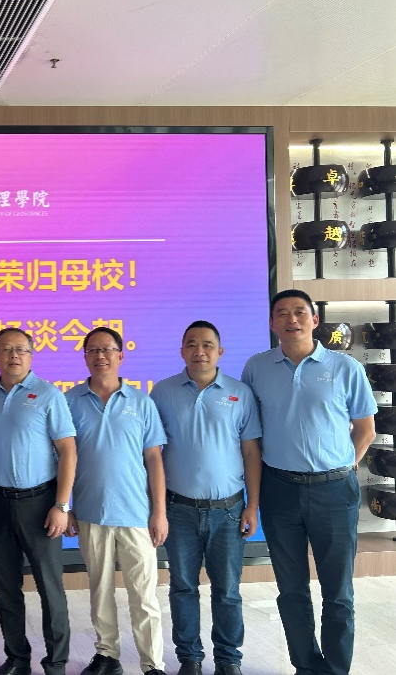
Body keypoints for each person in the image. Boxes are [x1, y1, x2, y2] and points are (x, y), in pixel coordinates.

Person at [242, 289, 376, 675]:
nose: (292, 319)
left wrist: (342, 467)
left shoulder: (345, 367)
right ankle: (305, 666)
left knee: (338, 592)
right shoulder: (257, 368)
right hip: (279, 489)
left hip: (334, 492)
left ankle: (335, 669)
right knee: (291, 590)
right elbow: (251, 433)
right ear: (272, 323)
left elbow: (366, 429)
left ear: (315, 320)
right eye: (282, 313)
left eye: (300, 312)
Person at [150, 321, 261, 675]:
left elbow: (251, 452)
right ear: (182, 350)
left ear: (220, 352)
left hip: (228, 510)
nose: (200, 351)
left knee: (227, 590)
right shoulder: (162, 392)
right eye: (192, 344)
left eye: (208, 345)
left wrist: (252, 506)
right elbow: (152, 453)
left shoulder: (240, 393)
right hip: (178, 509)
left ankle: (229, 659)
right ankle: (190, 658)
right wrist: (156, 509)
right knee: (183, 587)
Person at [0, 327, 76, 675]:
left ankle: (56, 663)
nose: (13, 355)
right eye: (5, 349)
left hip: (41, 502)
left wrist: (62, 505)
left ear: (31, 355)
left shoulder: (48, 394)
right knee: (6, 588)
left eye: (21, 349)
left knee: (50, 588)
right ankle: (17, 659)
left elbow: (68, 451)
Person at [64, 327, 167, 675]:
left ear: (120, 356)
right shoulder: (69, 402)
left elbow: (154, 459)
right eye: (93, 350)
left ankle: (152, 664)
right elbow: (61, 458)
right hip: (90, 511)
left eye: (107, 349)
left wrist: (159, 512)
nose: (100, 356)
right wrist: (67, 507)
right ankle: (107, 655)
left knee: (144, 595)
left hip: (136, 514)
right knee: (100, 590)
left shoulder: (141, 402)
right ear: (85, 357)